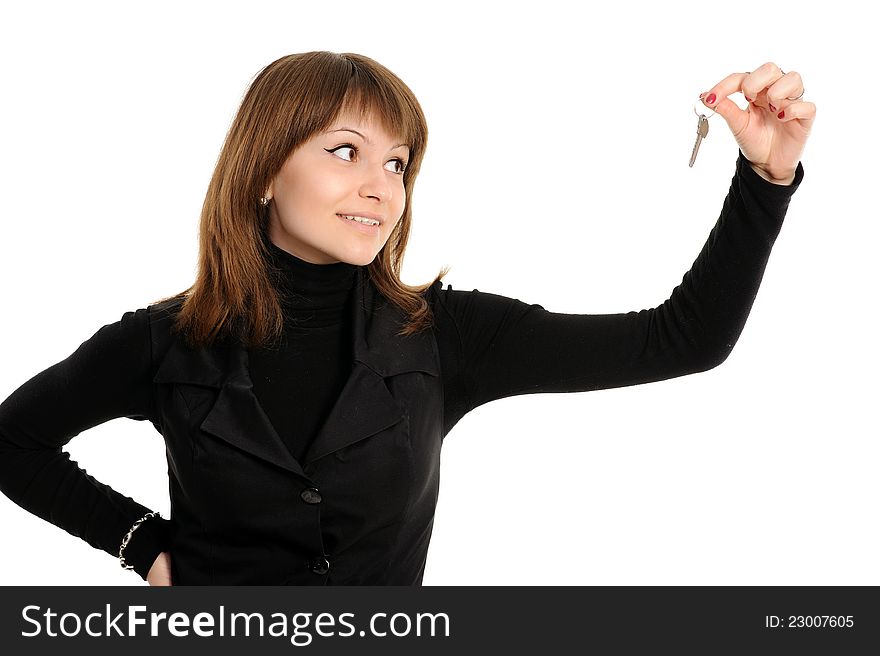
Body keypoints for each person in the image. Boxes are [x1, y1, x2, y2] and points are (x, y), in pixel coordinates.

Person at [0, 52, 813, 586]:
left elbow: (683, 339)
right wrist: (137, 542)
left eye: (397, 162)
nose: (382, 186)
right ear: (261, 172)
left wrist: (763, 179)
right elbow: (13, 443)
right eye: (345, 151)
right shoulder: (160, 342)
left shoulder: (446, 336)